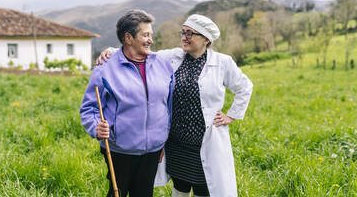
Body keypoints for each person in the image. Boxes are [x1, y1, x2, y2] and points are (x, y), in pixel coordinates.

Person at [97, 14, 253, 197]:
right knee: (180, 185)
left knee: (204, 187)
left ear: (206, 39)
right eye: (183, 32)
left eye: (191, 33)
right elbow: (142, 52)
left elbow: (245, 87)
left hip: (204, 141)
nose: (184, 37)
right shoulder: (173, 57)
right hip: (177, 142)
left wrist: (232, 115)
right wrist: (111, 51)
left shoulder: (222, 63)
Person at [80, 10, 173, 197]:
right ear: (128, 38)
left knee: (144, 194)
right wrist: (95, 127)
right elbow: (89, 108)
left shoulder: (163, 63)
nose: (150, 40)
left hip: (152, 150)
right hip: (119, 149)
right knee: (117, 193)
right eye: (145, 35)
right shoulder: (105, 68)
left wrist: (163, 138)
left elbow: (168, 104)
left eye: (151, 35)